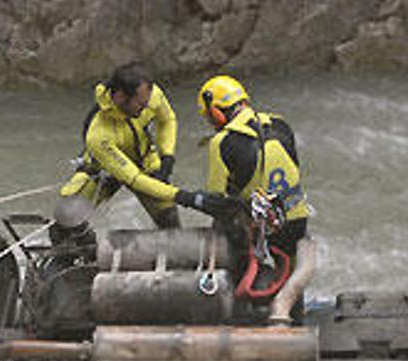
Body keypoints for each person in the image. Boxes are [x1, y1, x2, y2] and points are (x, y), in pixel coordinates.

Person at [53, 62, 233, 241]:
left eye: (147, 101)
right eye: (141, 104)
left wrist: (167, 156)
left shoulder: (149, 95)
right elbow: (135, 179)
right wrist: (185, 197)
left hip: (145, 162)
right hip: (104, 169)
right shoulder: (98, 134)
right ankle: (72, 249)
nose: (146, 107)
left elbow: (167, 120)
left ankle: (174, 258)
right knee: (67, 218)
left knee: (170, 223)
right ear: (121, 97)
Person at [196, 75, 313, 321]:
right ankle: (296, 314)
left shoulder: (222, 142)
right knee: (291, 270)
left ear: (217, 113)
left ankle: (240, 312)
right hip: (297, 219)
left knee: (230, 230)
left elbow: (217, 200)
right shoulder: (280, 123)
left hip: (262, 227)